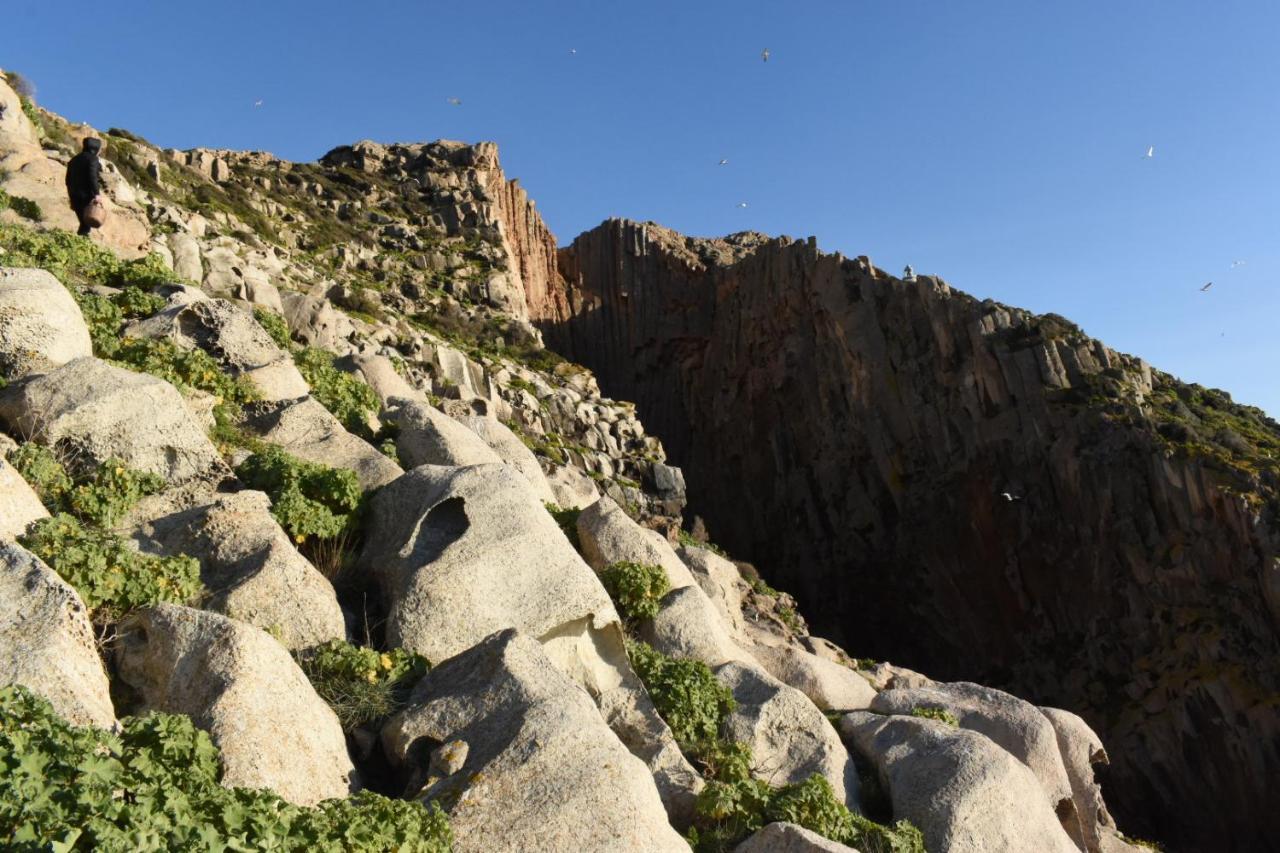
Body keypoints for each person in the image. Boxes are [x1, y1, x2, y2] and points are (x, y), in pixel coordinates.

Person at [65, 137, 104, 236]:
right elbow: (92, 177)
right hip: (86, 195)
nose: (100, 151)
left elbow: (67, 180)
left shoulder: (74, 159)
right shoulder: (93, 159)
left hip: (74, 193)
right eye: (99, 149)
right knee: (86, 224)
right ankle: (80, 245)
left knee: (83, 223)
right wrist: (97, 194)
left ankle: (79, 242)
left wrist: (71, 195)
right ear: (95, 148)